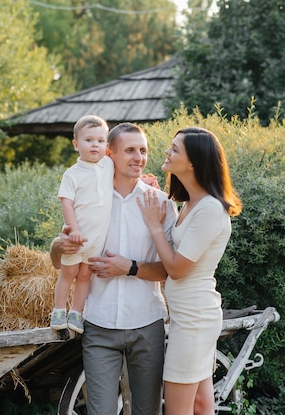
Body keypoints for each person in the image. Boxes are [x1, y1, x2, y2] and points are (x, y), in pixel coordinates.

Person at [50, 122, 177, 415]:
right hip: (99, 325)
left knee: (147, 411)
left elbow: (171, 270)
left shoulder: (160, 203)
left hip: (147, 323)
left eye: (143, 150)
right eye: (130, 150)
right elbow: (59, 262)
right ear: (110, 154)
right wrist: (59, 244)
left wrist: (128, 267)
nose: (139, 157)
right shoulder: (88, 199)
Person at [137, 127, 242, 415]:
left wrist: (154, 226)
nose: (167, 152)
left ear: (193, 162)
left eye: (174, 149)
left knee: (178, 409)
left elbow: (178, 269)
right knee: (199, 404)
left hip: (195, 320)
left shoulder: (209, 209)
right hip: (192, 316)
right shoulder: (189, 204)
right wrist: (156, 195)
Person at [50, 115, 114, 334]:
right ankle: (59, 310)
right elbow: (67, 202)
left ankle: (77, 312)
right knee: (69, 272)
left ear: (107, 145)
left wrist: (144, 180)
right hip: (77, 237)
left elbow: (128, 177)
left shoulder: (109, 166)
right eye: (88, 140)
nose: (95, 145)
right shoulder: (72, 174)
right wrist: (73, 228)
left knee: (85, 275)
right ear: (76, 145)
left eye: (100, 140)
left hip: (97, 237)